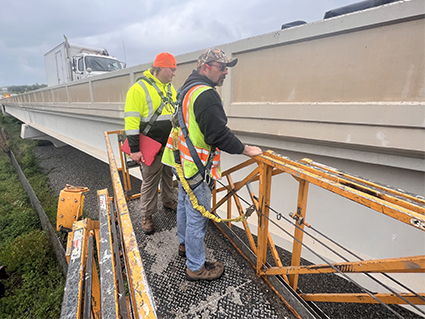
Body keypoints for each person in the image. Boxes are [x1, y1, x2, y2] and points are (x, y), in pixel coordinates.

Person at [162, 48, 262, 281]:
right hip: (198, 169)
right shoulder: (206, 94)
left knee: (185, 206)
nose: (225, 72)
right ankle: (195, 267)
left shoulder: (187, 88)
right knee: (198, 217)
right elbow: (218, 134)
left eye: (227, 67)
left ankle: (185, 247)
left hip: (182, 163)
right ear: (205, 67)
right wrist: (247, 150)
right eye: (221, 67)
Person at [124, 52, 178, 235]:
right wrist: (134, 149)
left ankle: (169, 200)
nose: (174, 73)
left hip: (169, 145)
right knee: (150, 180)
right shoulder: (139, 89)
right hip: (150, 146)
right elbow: (131, 121)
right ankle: (146, 215)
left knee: (168, 175)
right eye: (172, 69)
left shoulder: (171, 89)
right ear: (161, 67)